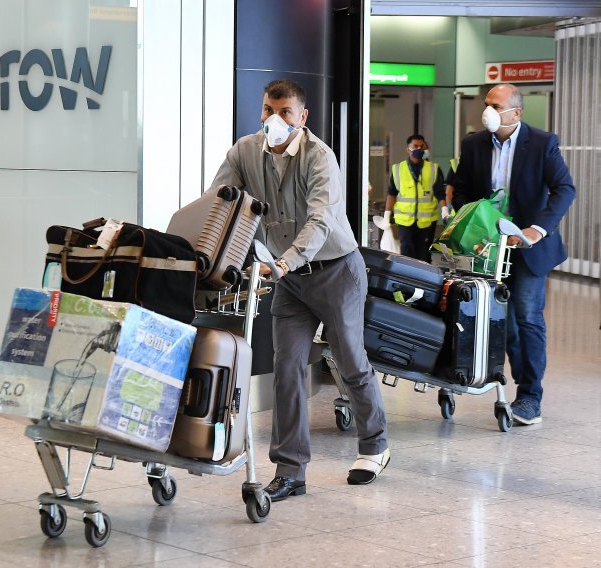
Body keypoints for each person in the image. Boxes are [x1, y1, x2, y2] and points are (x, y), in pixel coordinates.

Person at [208, 79, 389, 501]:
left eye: (286, 112)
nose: (275, 119)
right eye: (269, 110)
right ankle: (291, 470)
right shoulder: (244, 152)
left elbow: (320, 220)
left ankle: (374, 446)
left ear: (302, 117)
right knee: (287, 367)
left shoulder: (320, 158)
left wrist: (285, 261)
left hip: (335, 271)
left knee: (349, 361)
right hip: (288, 279)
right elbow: (222, 200)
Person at [452, 83, 576, 426]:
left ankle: (530, 395)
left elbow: (565, 189)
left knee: (527, 315)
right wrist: (476, 221)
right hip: (489, 250)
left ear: (516, 112)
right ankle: (520, 383)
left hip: (529, 247)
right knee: (503, 324)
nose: (487, 110)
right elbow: (460, 191)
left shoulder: (542, 143)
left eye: (495, 105)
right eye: (486, 103)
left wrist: (537, 230)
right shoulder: (474, 144)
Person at [383, 134, 448, 262]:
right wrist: (387, 215)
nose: (419, 149)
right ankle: (407, 278)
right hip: (404, 219)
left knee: (423, 254)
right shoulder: (398, 169)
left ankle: (422, 279)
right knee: (407, 251)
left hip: (426, 221)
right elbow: (392, 193)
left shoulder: (433, 169)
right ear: (408, 149)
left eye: (421, 146)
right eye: (415, 146)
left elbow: (440, 192)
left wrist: (444, 209)